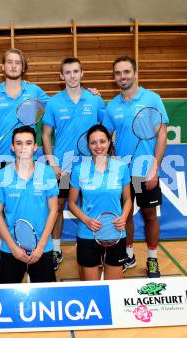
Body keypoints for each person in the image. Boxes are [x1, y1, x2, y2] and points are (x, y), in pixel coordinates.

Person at [0, 48, 50, 267]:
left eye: (17, 63)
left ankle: (33, 244)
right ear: (3, 67)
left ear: (23, 67)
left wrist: (91, 91)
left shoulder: (34, 91)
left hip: (29, 159)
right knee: (2, 208)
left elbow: (57, 104)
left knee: (27, 204)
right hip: (1, 160)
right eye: (9, 62)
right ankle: (4, 248)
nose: (13, 66)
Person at [103, 55, 169, 278]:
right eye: (118, 73)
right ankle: (128, 254)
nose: (123, 76)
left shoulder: (152, 99)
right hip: (122, 172)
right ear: (115, 77)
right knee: (126, 216)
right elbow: (107, 138)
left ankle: (152, 259)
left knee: (150, 215)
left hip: (144, 170)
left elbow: (161, 135)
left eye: (126, 72)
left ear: (135, 73)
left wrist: (154, 168)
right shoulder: (111, 107)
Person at [42, 57, 106, 271]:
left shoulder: (94, 100)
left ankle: (93, 245)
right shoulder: (53, 102)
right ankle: (56, 248)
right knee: (58, 206)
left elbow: (106, 129)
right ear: (62, 76)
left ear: (82, 73)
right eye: (67, 72)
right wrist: (51, 161)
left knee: (91, 205)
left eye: (75, 71)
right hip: (63, 167)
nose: (72, 76)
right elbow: (46, 134)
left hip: (89, 165)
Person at [0, 126, 58, 283]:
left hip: (42, 248)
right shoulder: (0, 175)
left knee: (45, 298)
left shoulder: (47, 173)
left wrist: (40, 247)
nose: (23, 147)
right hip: (11, 248)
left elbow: (53, 210)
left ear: (35, 147)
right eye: (19, 143)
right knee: (7, 299)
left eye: (28, 143)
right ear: (12, 147)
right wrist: (13, 247)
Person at [68, 124, 131, 280]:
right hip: (87, 233)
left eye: (102, 141)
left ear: (109, 142)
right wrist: (86, 220)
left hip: (115, 232)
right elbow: (72, 203)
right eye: (93, 142)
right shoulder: (78, 170)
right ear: (88, 145)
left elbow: (128, 199)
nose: (98, 146)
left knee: (115, 289)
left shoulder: (122, 167)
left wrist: (123, 217)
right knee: (92, 289)